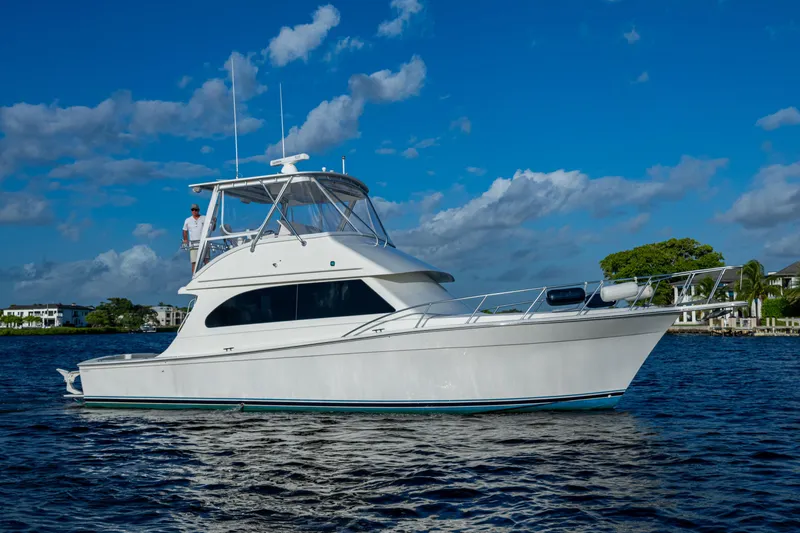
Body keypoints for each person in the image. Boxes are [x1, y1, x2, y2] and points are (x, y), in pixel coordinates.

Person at [182, 204, 215, 274]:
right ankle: (194, 277)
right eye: (192, 210)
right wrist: (185, 240)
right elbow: (185, 230)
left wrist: (214, 222)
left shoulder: (204, 218)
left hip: (204, 244)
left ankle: (208, 275)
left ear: (198, 210)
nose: (194, 211)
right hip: (193, 245)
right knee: (194, 262)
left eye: (196, 210)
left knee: (206, 260)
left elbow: (212, 228)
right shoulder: (188, 220)